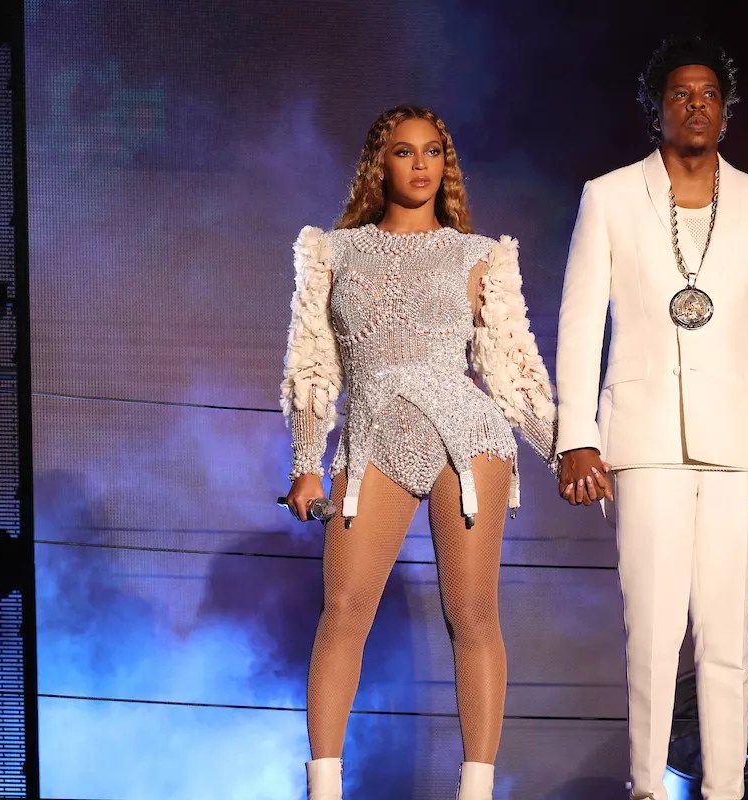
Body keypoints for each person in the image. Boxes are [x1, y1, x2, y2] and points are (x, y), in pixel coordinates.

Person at [554, 37, 748, 800]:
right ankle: (646, 788)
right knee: (653, 632)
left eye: (709, 95)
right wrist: (577, 436)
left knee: (728, 637)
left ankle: (725, 790)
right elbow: (578, 323)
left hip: (739, 448)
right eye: (680, 94)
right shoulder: (608, 196)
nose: (696, 105)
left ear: (725, 111)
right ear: (656, 108)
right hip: (643, 441)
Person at [280, 104, 557, 800]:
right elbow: (313, 362)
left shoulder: (478, 254)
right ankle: (323, 788)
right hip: (374, 434)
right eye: (404, 151)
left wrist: (566, 452)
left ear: (446, 165)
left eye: (433, 151)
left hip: (467, 438)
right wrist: (307, 463)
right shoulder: (331, 252)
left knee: (473, 614)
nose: (420, 163)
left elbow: (510, 367)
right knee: (344, 608)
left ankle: (476, 791)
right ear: (381, 163)